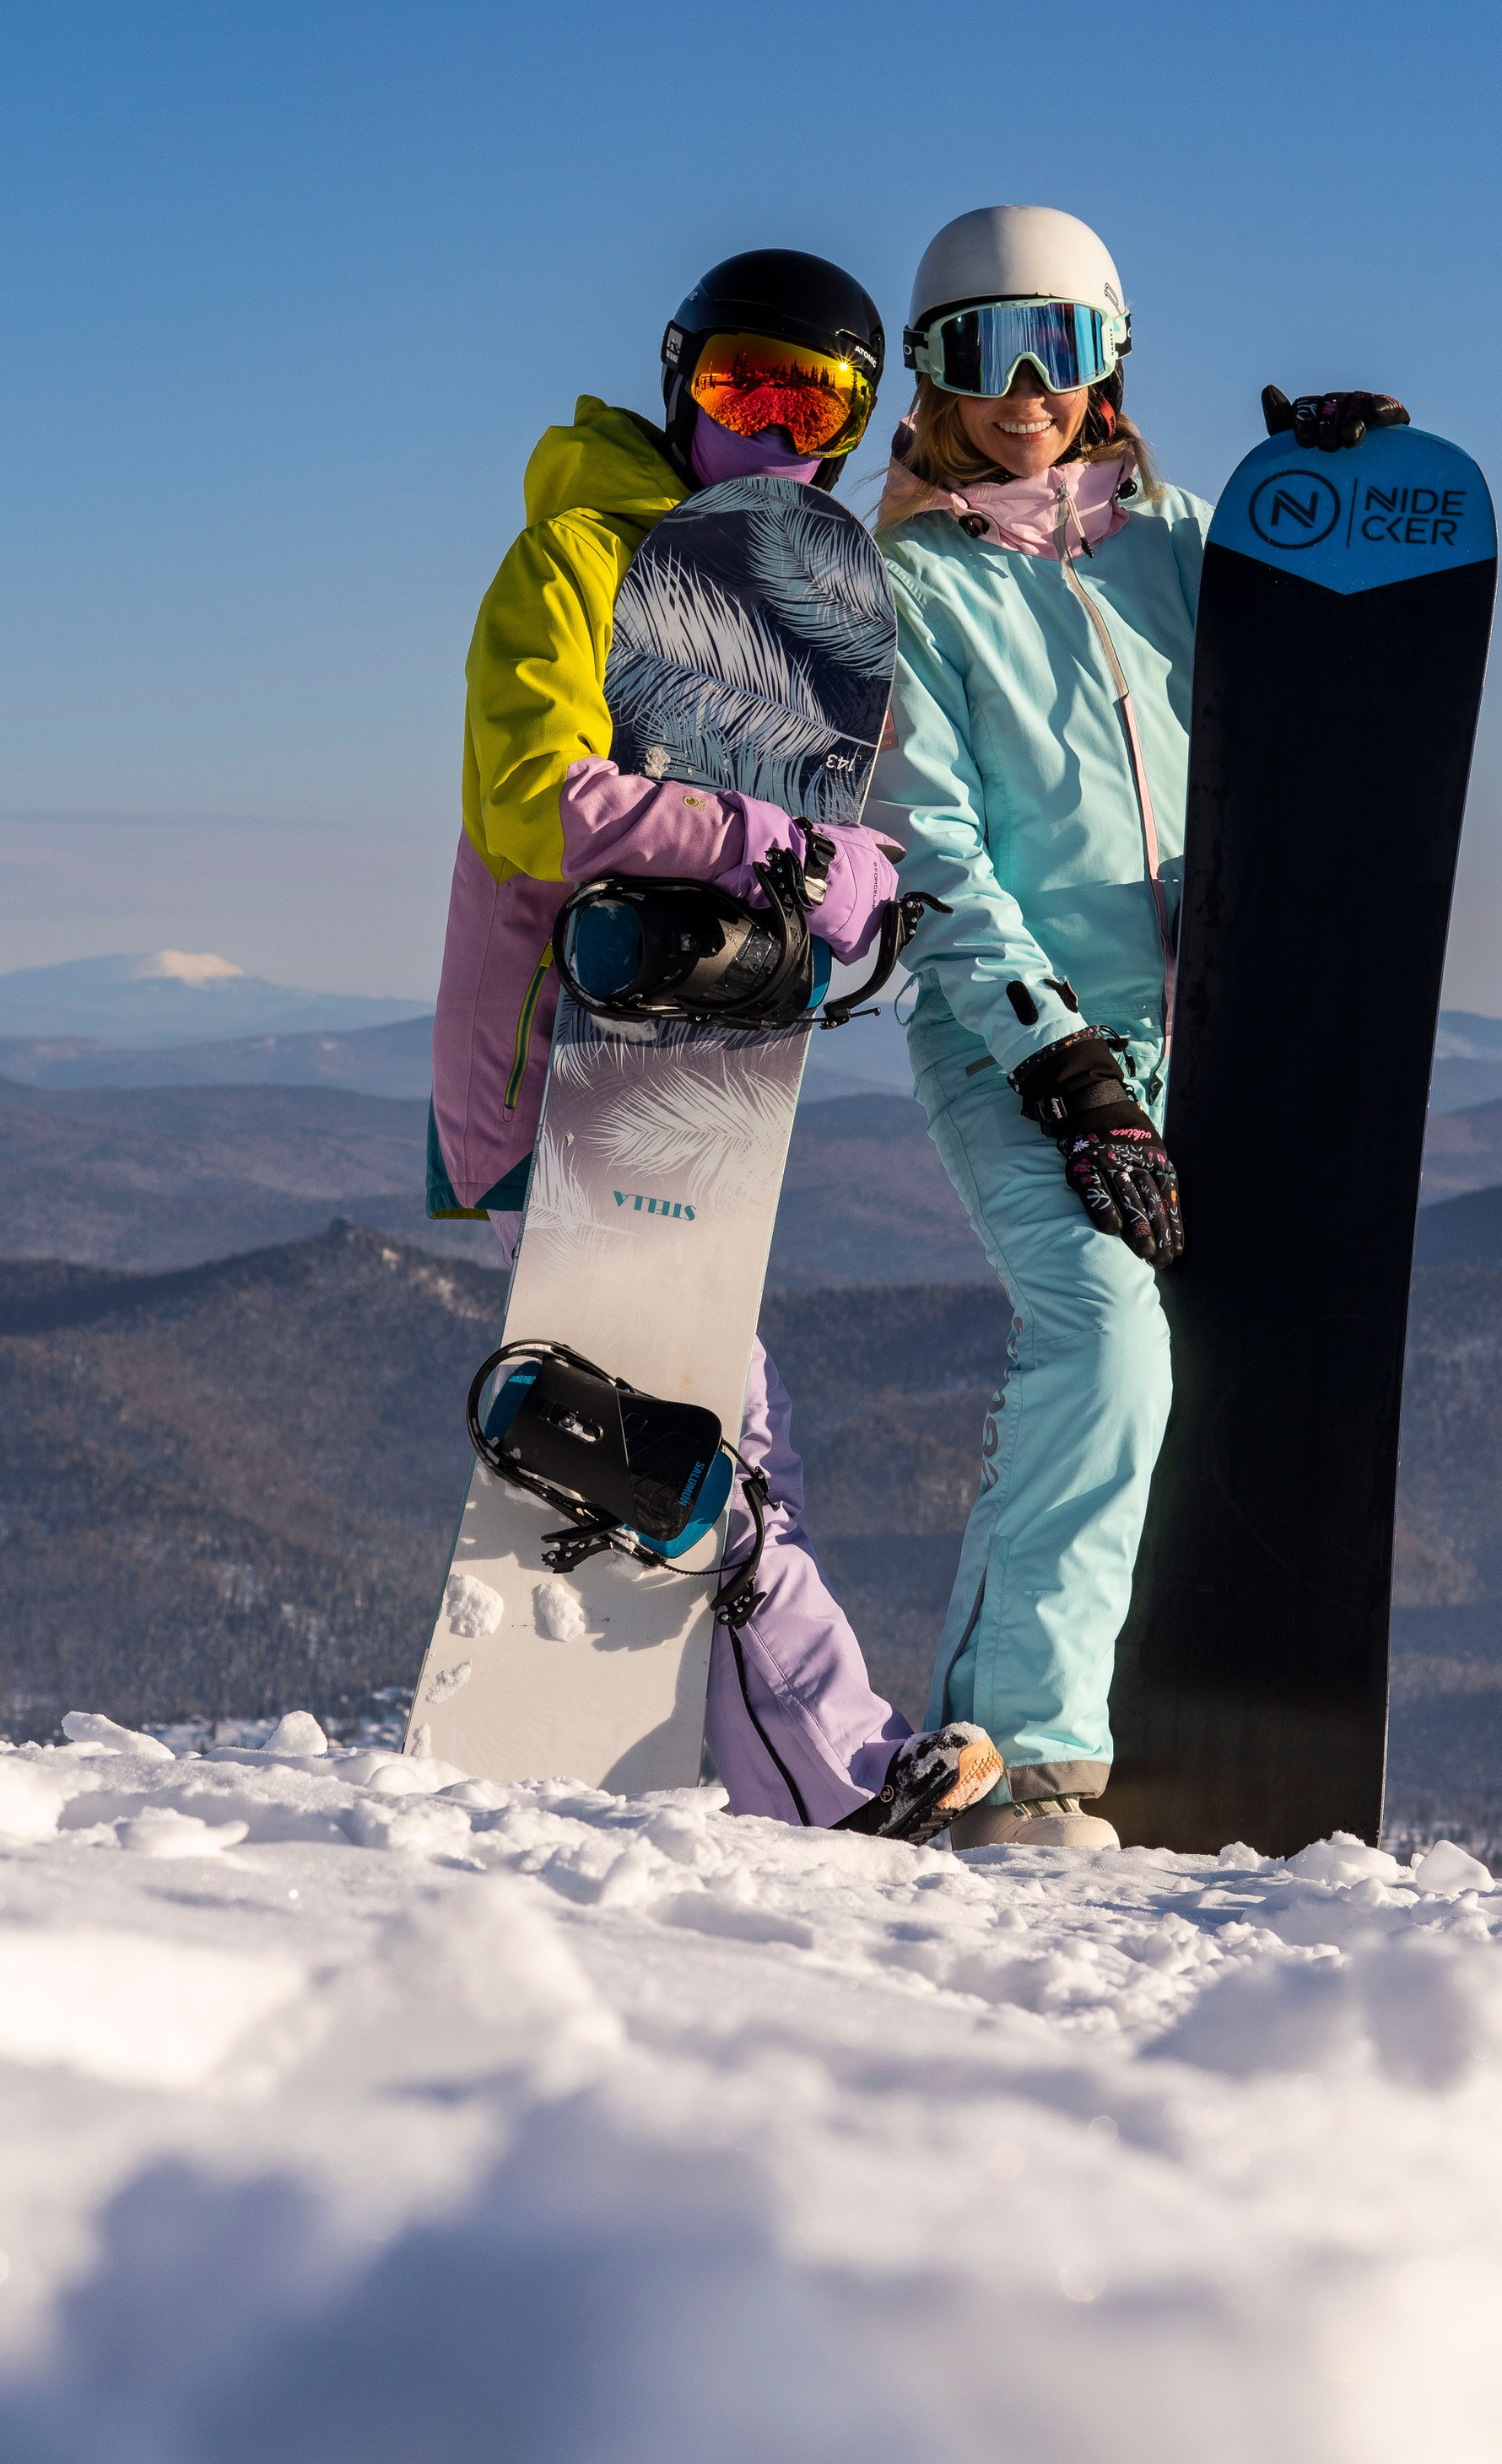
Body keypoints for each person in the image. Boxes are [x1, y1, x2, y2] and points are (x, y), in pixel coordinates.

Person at [428, 246, 1002, 1847]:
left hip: (691, 1081)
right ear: (678, 376)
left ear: (854, 419)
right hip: (565, 1071)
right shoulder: (572, 564)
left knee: (744, 1435)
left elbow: (799, 857)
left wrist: (858, 903)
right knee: (714, 1446)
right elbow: (533, 803)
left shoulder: (803, 602)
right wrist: (782, 849)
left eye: (810, 396)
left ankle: (751, 1781)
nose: (769, 418)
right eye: (739, 379)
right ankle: (841, 1774)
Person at [873, 204, 1403, 1848]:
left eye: (1062, 347)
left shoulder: (1175, 542)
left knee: (1224, 1365)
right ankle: (1020, 1750)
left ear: (1109, 364)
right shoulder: (905, 583)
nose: (1023, 389)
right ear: (927, 375)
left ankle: (1131, 1709)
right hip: (1018, 1043)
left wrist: (1317, 516)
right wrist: (1066, 1065)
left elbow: (1313, 658)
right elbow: (932, 850)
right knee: (1101, 1336)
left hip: (1228, 1038)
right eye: (982, 351)